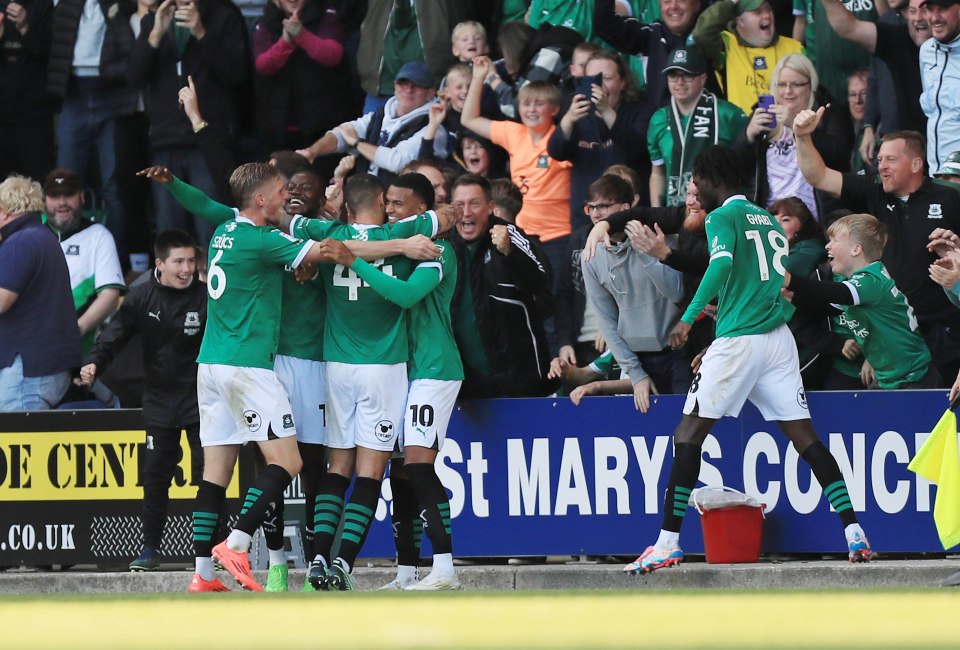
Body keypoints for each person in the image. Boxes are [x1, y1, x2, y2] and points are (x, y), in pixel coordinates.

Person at [622, 144, 872, 575]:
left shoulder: (723, 217)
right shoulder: (770, 223)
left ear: (712, 178)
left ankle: (666, 543)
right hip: (777, 340)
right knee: (806, 439)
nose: (694, 188)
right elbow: (773, 284)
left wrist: (688, 317)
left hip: (740, 341)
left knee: (687, 435)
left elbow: (718, 267)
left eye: (697, 180)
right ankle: (854, 531)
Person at [286, 174, 457, 591]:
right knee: (372, 470)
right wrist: (405, 237)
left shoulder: (326, 233)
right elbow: (447, 216)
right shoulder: (401, 234)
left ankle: (319, 559)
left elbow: (287, 222)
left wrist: (323, 213)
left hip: (337, 366)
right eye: (390, 201)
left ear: (345, 204)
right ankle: (343, 562)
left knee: (336, 466)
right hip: (385, 367)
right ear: (382, 200)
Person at [187, 162, 340, 593]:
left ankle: (202, 574)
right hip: (247, 366)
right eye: (278, 191)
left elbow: (203, 204)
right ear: (259, 199)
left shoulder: (224, 232)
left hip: (210, 363)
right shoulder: (262, 239)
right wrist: (393, 242)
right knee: (288, 461)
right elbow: (326, 253)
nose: (283, 197)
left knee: (216, 472)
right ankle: (236, 543)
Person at [331, 214, 464, 591]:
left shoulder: (439, 252)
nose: (393, 215)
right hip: (405, 371)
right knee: (403, 472)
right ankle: (407, 572)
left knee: (420, 465)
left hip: (434, 369)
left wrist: (353, 261)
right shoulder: (398, 251)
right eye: (389, 206)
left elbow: (405, 296)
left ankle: (445, 569)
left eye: (401, 206)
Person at [793, 108, 960, 384]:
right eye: (880, 159)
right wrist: (802, 136)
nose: (881, 165)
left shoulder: (948, 196)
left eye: (890, 159)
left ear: (917, 164)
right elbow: (818, 176)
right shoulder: (874, 192)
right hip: (896, 334)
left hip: (948, 330)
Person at [78, 229, 207, 572]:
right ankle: (150, 549)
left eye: (191, 261)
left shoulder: (208, 297)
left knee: (207, 475)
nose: (186, 270)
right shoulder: (139, 297)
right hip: (160, 399)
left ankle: (209, 552)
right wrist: (94, 362)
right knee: (155, 477)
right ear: (160, 263)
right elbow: (114, 335)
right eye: (178, 262)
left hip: (202, 399)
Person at [127, 0, 250, 247]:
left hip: (208, 139)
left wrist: (202, 33)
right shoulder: (154, 18)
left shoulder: (224, 15)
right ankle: (171, 285)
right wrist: (155, 34)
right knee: (169, 230)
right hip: (165, 140)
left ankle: (213, 282)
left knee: (210, 227)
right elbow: (133, 77)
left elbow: (237, 73)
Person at [785, 214, 939, 388]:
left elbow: (836, 293)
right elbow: (830, 307)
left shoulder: (870, 280)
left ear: (856, 249)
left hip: (912, 379)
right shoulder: (865, 280)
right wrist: (794, 297)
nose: (827, 246)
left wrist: (789, 280)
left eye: (834, 240)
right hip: (889, 378)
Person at [463, 55, 573, 293]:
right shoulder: (515, 132)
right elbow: (468, 118)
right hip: (521, 235)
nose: (531, 109)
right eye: (526, 103)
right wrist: (479, 78)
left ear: (554, 109)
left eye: (538, 104)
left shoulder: (563, 137)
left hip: (558, 237)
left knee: (555, 302)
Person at [581, 174, 689, 412]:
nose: (597, 214)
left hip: (679, 351)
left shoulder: (660, 235)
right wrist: (636, 374)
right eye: (592, 207)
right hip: (638, 358)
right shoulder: (590, 255)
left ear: (626, 209)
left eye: (605, 206)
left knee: (687, 426)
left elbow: (678, 293)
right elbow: (606, 321)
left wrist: (646, 250)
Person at [450, 174, 554, 398]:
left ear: (490, 207)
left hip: (517, 379)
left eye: (474, 203)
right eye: (459, 205)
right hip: (464, 383)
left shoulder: (509, 234)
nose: (466, 212)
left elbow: (541, 285)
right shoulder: (444, 244)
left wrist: (510, 252)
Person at [47, 0, 133, 268]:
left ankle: (117, 261)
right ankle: (62, 256)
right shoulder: (63, 5)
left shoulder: (122, 4)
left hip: (111, 93)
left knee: (114, 183)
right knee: (65, 181)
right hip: (73, 93)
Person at [736, 53, 852, 219]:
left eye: (796, 84)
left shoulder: (828, 113)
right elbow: (737, 168)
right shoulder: (762, 114)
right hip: (769, 219)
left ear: (811, 85)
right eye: (782, 85)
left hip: (817, 220)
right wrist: (748, 136)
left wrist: (795, 125)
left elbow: (839, 155)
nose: (788, 91)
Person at [0, 175, 81, 411]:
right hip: (41, 369)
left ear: (4, 211)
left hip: (26, 373)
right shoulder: (42, 236)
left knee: (16, 443)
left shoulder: (20, 243)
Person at [548, 49, 654, 228]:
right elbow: (556, 151)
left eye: (607, 78)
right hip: (586, 219)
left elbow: (637, 148)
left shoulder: (640, 111)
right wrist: (569, 118)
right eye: (593, 79)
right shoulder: (576, 114)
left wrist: (606, 111)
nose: (599, 86)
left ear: (623, 82)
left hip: (630, 220)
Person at [297, 61, 448, 183]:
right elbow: (342, 133)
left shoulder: (434, 127)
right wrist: (313, 151)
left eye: (417, 86)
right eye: (403, 83)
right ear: (395, 87)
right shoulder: (379, 115)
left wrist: (357, 143)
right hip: (364, 198)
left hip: (400, 207)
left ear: (430, 93)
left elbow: (398, 162)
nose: (408, 90)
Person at [817, 0, 928, 150]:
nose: (917, 18)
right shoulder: (898, 36)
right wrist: (869, 125)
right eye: (912, 12)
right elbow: (848, 28)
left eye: (926, 10)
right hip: (905, 144)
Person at [647, 46, 747, 208]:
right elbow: (658, 171)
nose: (680, 82)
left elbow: (747, 163)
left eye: (687, 75)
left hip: (719, 211)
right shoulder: (658, 119)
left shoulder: (729, 114)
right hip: (676, 212)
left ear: (703, 78)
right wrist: (658, 213)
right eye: (673, 75)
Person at [42, 168, 125, 355]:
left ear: (81, 197)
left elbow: (110, 295)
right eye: (55, 196)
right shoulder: (30, 232)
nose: (62, 202)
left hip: (78, 347)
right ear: (44, 200)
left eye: (69, 194)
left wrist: (76, 330)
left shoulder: (99, 235)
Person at [253, 0, 351, 156]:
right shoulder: (266, 22)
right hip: (280, 127)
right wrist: (285, 42)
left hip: (323, 125)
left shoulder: (326, 15)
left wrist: (302, 35)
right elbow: (263, 66)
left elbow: (333, 55)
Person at [691, 0, 804, 115]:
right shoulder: (727, 44)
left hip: (786, 127)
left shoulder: (795, 48)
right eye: (757, 12)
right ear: (740, 21)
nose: (767, 16)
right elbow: (701, 34)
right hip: (741, 127)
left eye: (768, 9)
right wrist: (730, 2)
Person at [593, 0, 702, 111]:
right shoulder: (649, 36)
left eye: (681, 0)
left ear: (696, 5)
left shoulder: (708, 35)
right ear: (660, 7)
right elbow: (605, 25)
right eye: (667, 2)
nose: (673, 6)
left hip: (706, 122)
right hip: (660, 125)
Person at [0, 0, 55, 183]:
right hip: (2, 116)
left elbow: (52, 54)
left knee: (37, 184)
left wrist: (25, 27)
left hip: (34, 116)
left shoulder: (45, 5)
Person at [920, 0, 960, 174]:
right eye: (930, 9)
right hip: (936, 177)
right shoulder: (926, 51)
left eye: (943, 9)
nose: (935, 17)